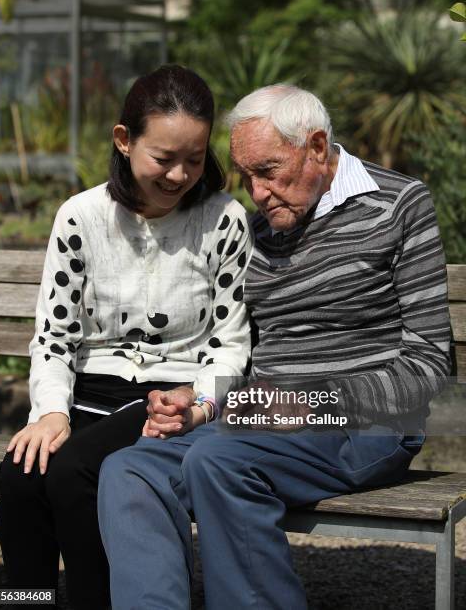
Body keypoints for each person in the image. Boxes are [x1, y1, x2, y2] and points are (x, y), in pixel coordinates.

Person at [98, 84, 451, 609]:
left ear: (314, 147)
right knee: (129, 469)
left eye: (267, 171)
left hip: (366, 425)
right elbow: (257, 359)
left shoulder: (399, 204)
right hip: (259, 420)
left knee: (219, 461)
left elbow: (429, 365)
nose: (256, 193)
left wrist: (313, 403)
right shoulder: (260, 233)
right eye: (246, 177)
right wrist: (201, 404)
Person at [0, 65, 251, 610]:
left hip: (168, 400)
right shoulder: (81, 217)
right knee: (20, 475)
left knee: (72, 473)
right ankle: (25, 601)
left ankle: (96, 601)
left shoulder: (223, 220)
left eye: (195, 158)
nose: (180, 174)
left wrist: (200, 403)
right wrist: (49, 412)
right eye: (164, 157)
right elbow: (55, 334)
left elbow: (231, 342)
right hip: (89, 394)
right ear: (124, 140)